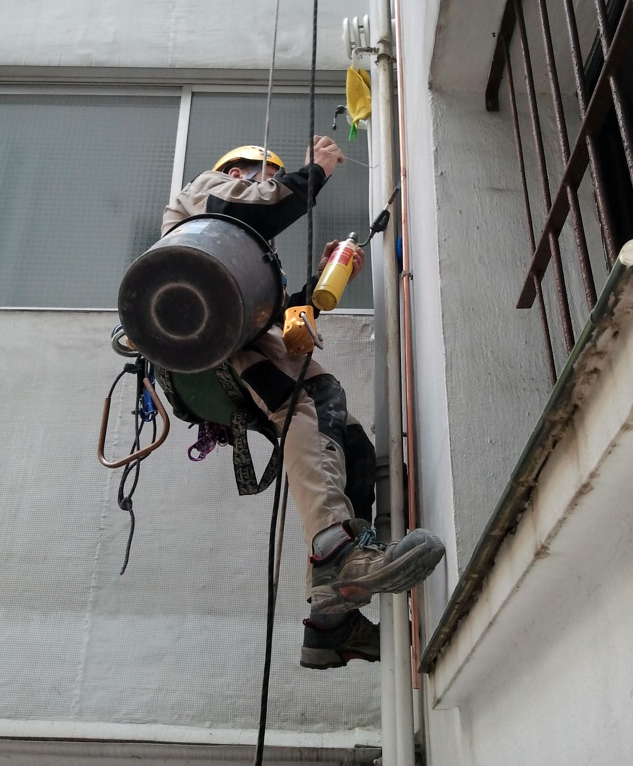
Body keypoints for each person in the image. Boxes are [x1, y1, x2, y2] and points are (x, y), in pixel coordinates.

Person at [161, 135, 445, 670]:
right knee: (303, 407)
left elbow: (276, 315)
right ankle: (335, 552)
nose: (261, 181)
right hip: (204, 326)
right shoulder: (206, 199)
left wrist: (317, 286)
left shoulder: (241, 255)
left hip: (236, 331)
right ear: (235, 169)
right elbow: (258, 204)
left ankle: (333, 618)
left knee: (346, 437)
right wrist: (315, 171)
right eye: (256, 172)